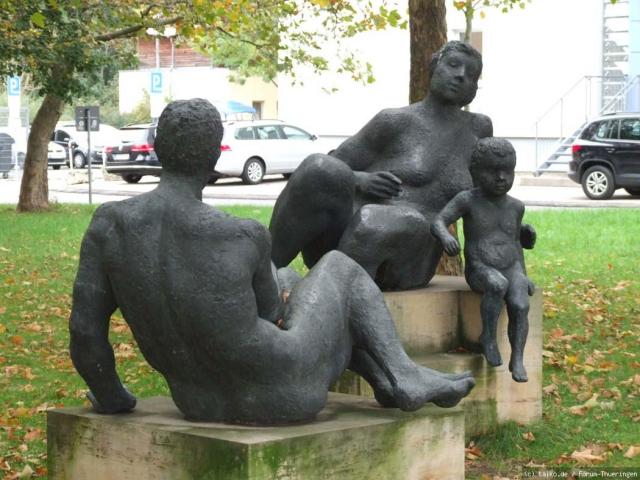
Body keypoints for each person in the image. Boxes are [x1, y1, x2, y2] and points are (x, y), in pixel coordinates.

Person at [69, 98, 475, 425]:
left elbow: (85, 331)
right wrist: (286, 286)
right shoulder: (240, 234)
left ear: (159, 149)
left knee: (291, 277)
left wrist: (112, 397)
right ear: (214, 156)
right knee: (339, 269)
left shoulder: (108, 225)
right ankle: (403, 374)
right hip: (287, 394)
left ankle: (385, 379)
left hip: (196, 402)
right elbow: (275, 315)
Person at [269, 41, 492, 291]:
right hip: (346, 237)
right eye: (453, 65)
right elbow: (334, 165)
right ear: (434, 67)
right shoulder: (394, 121)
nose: (461, 75)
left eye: (471, 74)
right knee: (317, 167)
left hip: (412, 255)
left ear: (474, 88)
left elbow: (490, 197)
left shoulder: (478, 130)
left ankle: (329, 295)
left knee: (380, 219)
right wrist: (359, 180)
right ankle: (266, 273)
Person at [430, 138, 536, 382]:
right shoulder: (467, 200)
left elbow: (515, 243)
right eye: (493, 171)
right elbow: (438, 221)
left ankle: (517, 358)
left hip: (511, 267)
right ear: (475, 172)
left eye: (507, 171)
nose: (501, 178)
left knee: (521, 304)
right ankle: (487, 336)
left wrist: (523, 274)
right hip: (481, 268)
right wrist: (445, 237)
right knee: (497, 284)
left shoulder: (516, 207)